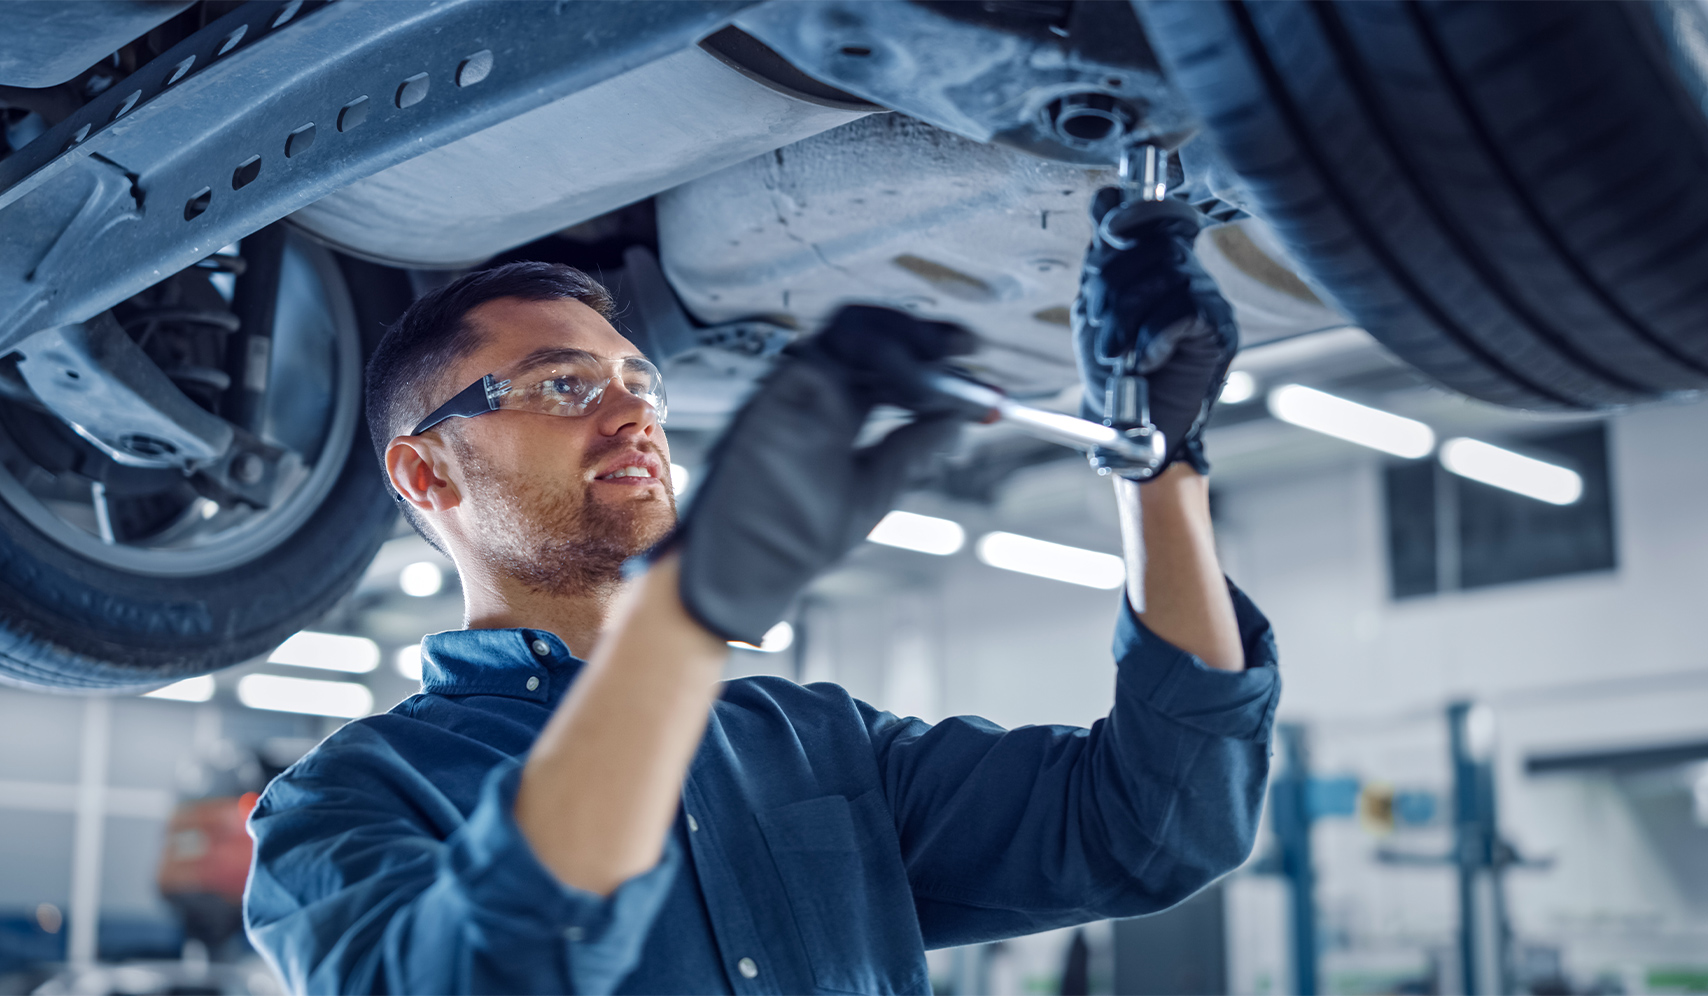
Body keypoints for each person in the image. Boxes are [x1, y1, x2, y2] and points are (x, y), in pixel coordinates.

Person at [242, 189, 1280, 995]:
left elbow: (1157, 824)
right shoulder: (342, 806)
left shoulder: (817, 746)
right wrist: (684, 617)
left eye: (641, 385)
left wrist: (1160, 466)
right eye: (564, 386)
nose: (632, 416)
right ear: (426, 474)